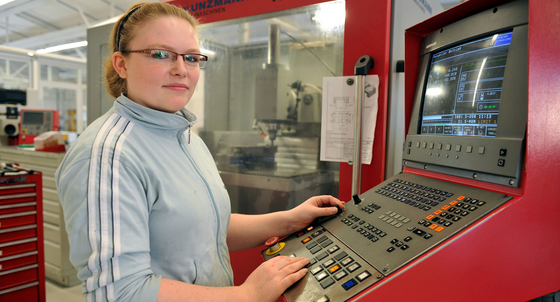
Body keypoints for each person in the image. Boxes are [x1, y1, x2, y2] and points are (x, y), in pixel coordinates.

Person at [55, 2, 345, 302]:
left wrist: (288, 220)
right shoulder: (108, 156)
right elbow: (119, 292)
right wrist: (247, 295)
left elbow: (207, 226)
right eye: (160, 54)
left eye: (191, 58)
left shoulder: (184, 137)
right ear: (121, 64)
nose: (180, 69)